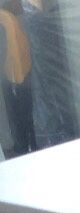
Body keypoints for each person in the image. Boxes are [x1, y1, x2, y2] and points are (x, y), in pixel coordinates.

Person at [0, 0, 34, 157]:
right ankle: (23, 146)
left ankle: (22, 146)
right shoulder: (7, 18)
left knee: (19, 109)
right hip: (18, 76)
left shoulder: (7, 19)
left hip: (16, 77)